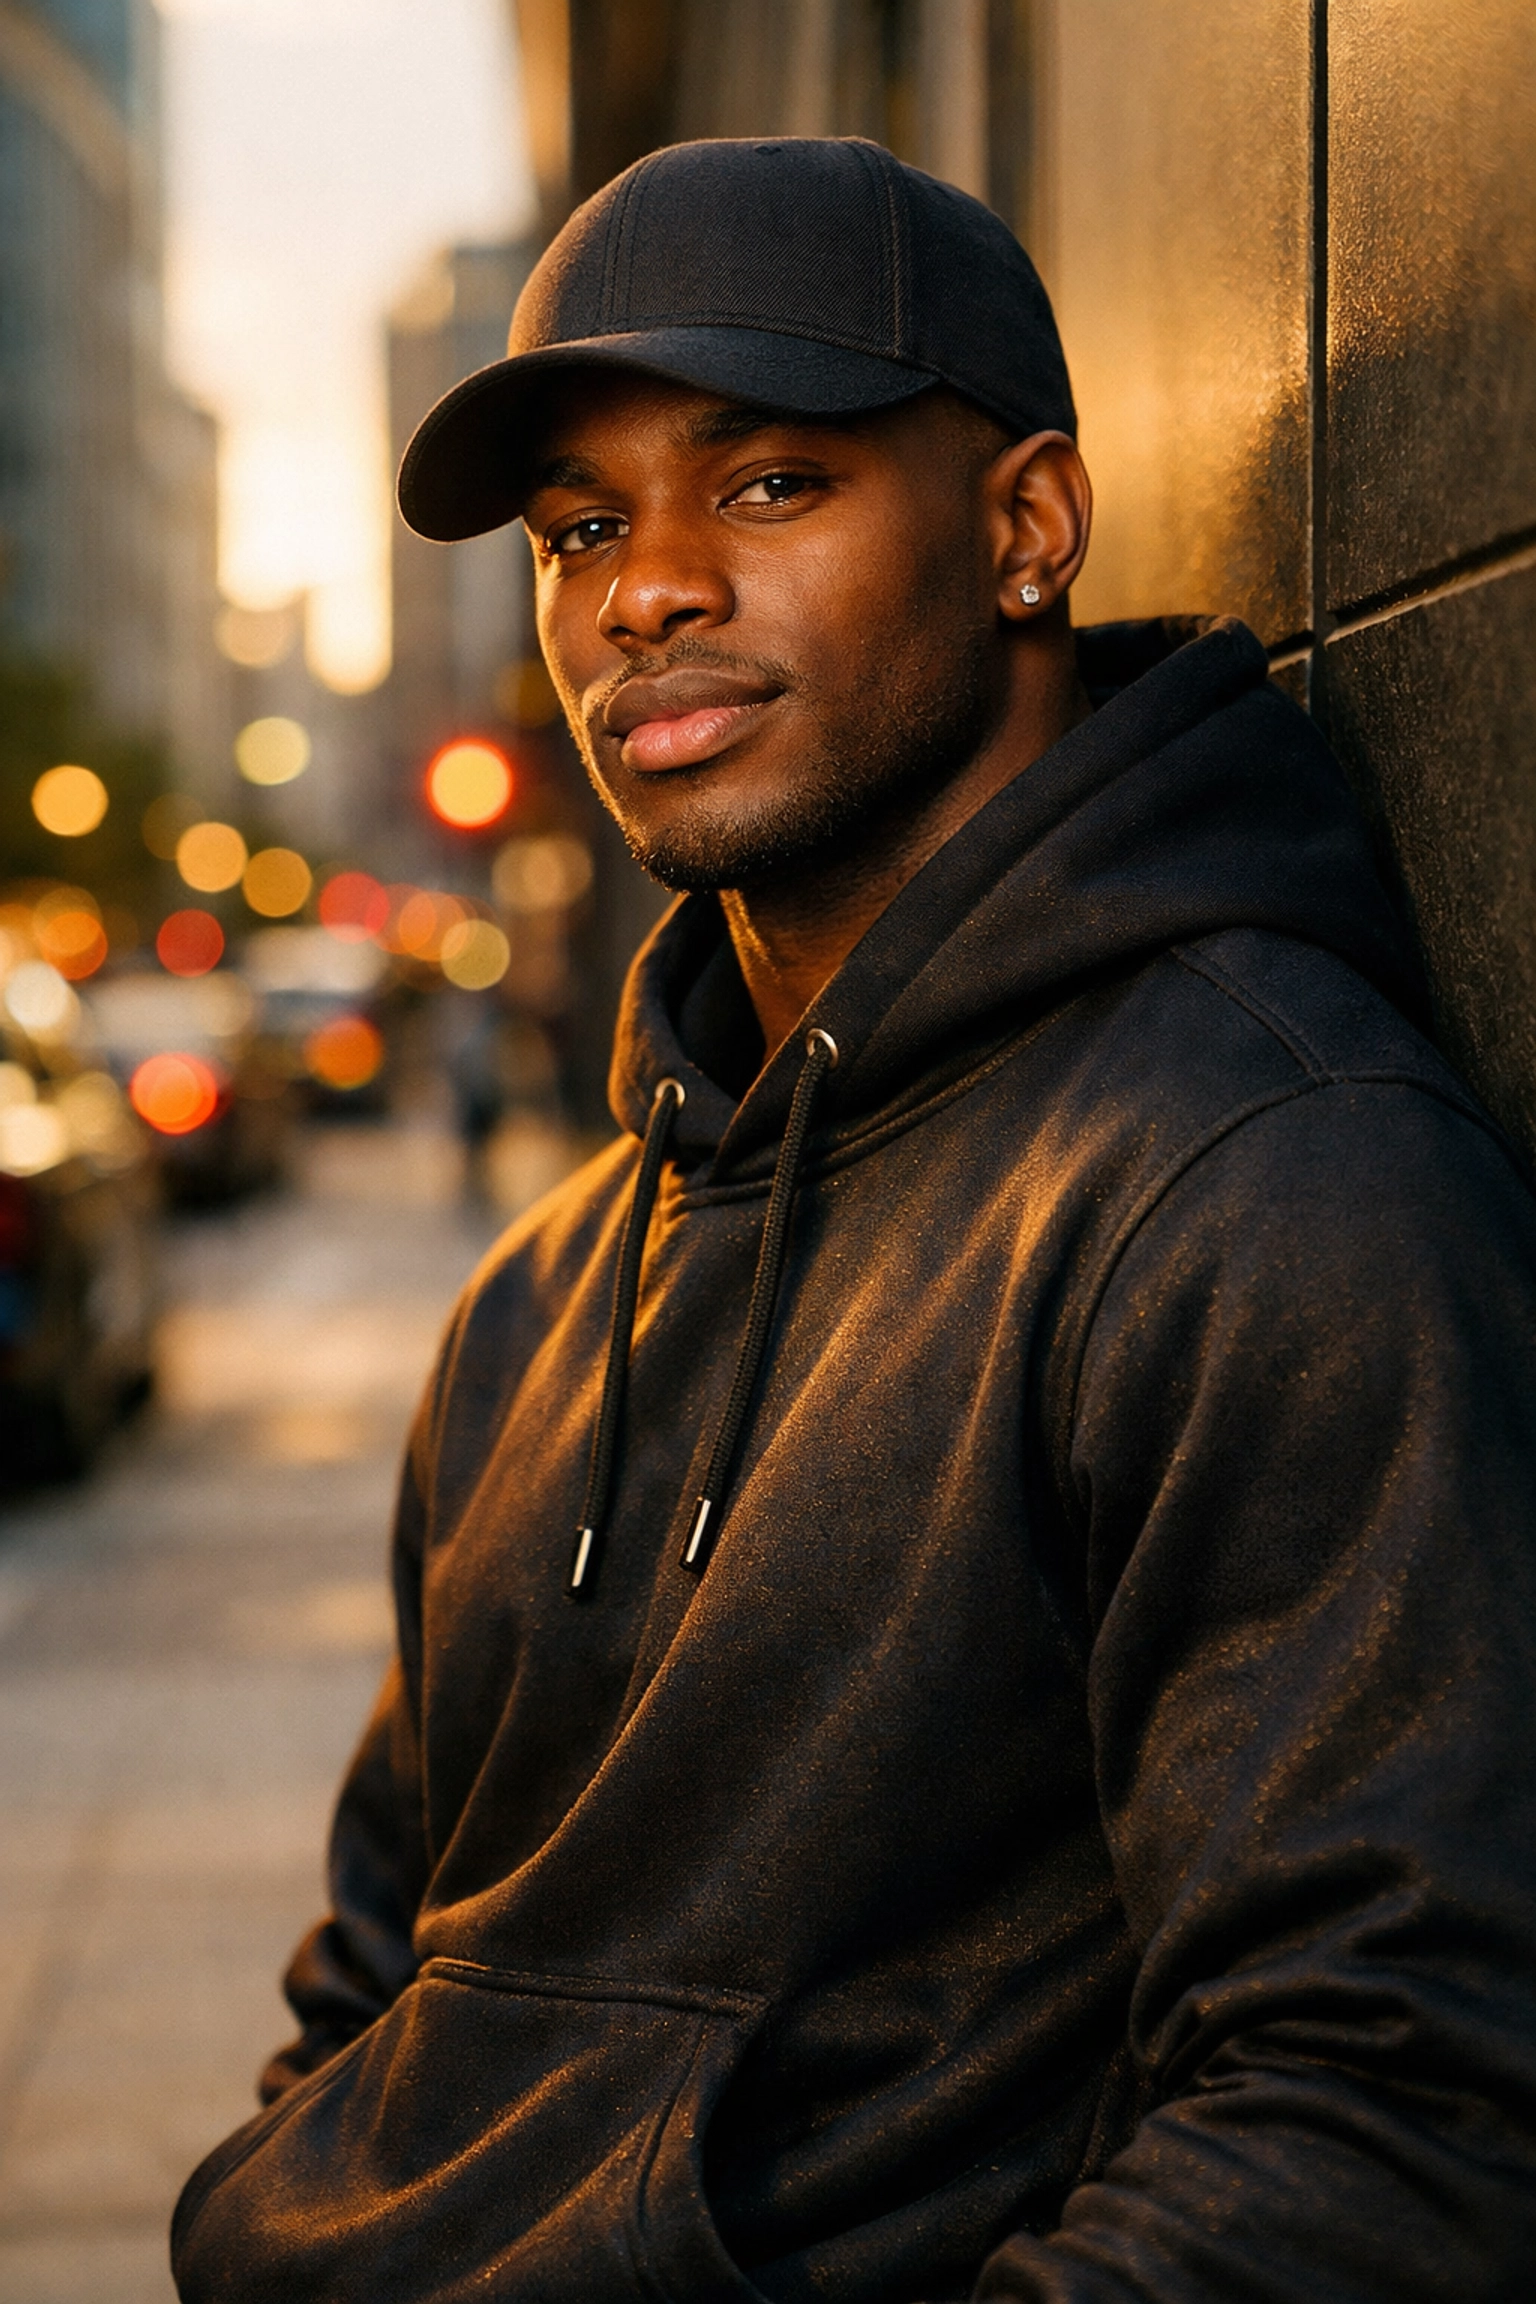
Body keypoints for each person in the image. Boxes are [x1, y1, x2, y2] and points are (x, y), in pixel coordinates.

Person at [172, 139, 1536, 2303]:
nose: (644, 593)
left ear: (1025, 529)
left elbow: (1385, 2123)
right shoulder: (547, 1294)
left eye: (771, 485)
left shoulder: (1266, 1177)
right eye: (581, 529)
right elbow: (374, 1992)